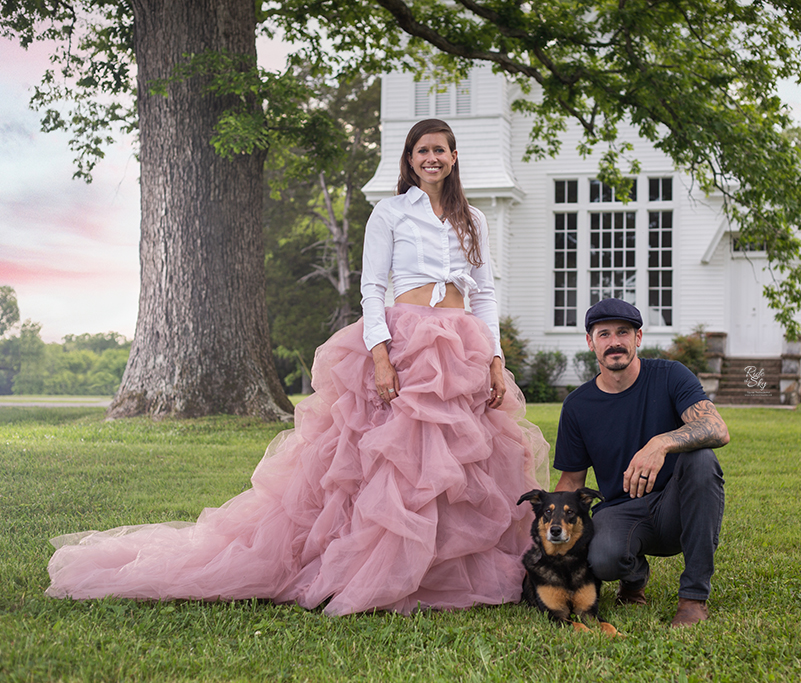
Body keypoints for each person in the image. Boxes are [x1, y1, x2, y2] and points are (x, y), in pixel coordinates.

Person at [45, 119, 550, 616]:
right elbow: (372, 287)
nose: (432, 159)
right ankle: (376, 565)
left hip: (462, 348)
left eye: (440, 150)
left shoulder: (473, 220)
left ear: (454, 157)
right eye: (422, 151)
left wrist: (495, 359)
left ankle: (441, 567)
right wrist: (380, 355)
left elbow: (484, 294)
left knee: (459, 464)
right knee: (398, 461)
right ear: (410, 160)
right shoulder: (391, 213)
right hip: (407, 342)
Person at [554, 298, 729, 628]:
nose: (615, 342)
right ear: (590, 342)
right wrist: (548, 537)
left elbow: (717, 428)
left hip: (675, 506)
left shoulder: (670, 376)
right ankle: (633, 578)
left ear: (638, 338)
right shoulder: (578, 406)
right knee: (601, 559)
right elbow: (572, 481)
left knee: (703, 460)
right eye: (604, 334)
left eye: (624, 332)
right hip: (619, 510)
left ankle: (693, 598)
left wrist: (661, 442)